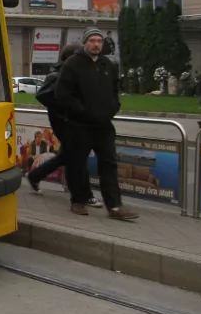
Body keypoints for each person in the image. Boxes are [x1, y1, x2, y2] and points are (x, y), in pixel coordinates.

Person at [55, 27, 138, 219]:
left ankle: (115, 206)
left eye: (99, 41)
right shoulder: (73, 64)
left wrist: (113, 107)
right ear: (85, 42)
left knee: (109, 164)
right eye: (92, 40)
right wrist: (81, 111)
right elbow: (62, 95)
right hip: (80, 125)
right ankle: (77, 200)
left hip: (103, 125)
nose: (96, 44)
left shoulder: (107, 65)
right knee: (77, 163)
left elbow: (115, 89)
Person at [26, 42, 101, 207]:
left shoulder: (70, 73)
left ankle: (35, 176)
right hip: (65, 123)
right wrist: (63, 109)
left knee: (67, 156)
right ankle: (84, 194)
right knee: (78, 157)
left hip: (72, 121)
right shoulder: (57, 75)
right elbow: (44, 96)